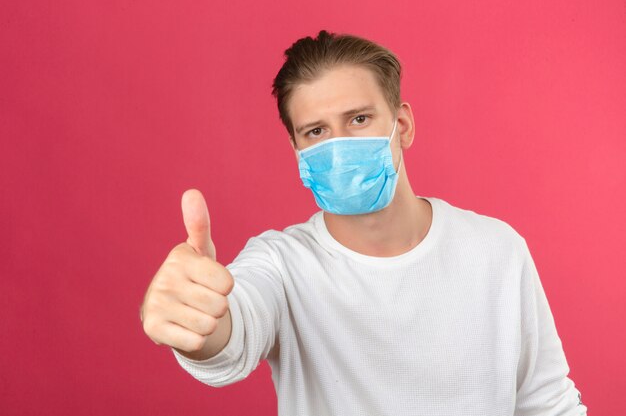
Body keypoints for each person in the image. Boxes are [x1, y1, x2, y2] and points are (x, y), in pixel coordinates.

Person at [140, 30, 587, 415]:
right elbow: (234, 331)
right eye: (315, 132)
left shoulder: (496, 249)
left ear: (403, 125)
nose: (339, 145)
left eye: (358, 119)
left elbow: (547, 402)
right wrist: (196, 324)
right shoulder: (280, 263)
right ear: (297, 151)